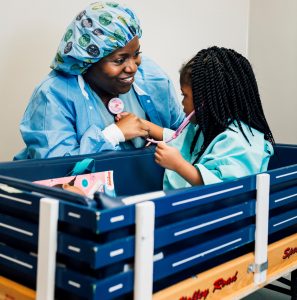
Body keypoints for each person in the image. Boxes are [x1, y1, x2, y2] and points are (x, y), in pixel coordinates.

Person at [14, 1, 184, 160]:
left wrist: (154, 131)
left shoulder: (151, 77)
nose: (133, 67)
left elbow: (189, 137)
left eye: (136, 54)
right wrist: (113, 135)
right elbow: (55, 170)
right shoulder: (53, 95)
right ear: (87, 60)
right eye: (119, 60)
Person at [148, 46, 275, 190]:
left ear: (204, 101)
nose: (182, 102)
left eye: (185, 96)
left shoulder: (237, 141)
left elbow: (224, 189)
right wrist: (146, 128)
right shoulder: (206, 128)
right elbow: (181, 141)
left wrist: (178, 165)